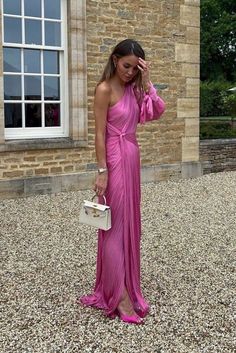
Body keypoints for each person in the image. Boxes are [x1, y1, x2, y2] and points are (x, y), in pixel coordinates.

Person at [79, 39, 165, 324]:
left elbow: (157, 110)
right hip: (114, 160)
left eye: (135, 68)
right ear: (115, 60)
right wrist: (101, 171)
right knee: (114, 227)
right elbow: (100, 134)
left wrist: (148, 81)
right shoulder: (104, 89)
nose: (129, 72)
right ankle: (120, 296)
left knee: (129, 223)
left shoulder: (134, 90)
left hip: (131, 156)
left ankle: (125, 284)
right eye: (126, 65)